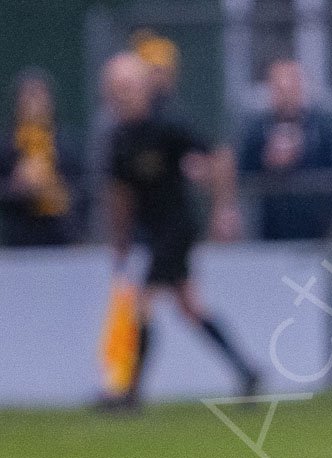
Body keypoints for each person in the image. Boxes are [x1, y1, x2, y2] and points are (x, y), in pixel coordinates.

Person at [100, 52, 259, 412]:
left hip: (178, 226)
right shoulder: (118, 138)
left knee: (143, 303)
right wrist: (121, 241)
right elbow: (120, 195)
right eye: (113, 89)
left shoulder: (167, 126)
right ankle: (247, 371)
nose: (119, 96)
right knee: (190, 307)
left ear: (144, 88)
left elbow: (219, 156)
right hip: (154, 232)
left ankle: (131, 392)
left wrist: (224, 210)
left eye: (126, 87)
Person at [238, 59, 332, 241]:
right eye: (280, 88)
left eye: (292, 86)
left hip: (315, 230)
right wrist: (268, 161)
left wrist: (303, 156)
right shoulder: (256, 131)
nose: (287, 95)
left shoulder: (322, 127)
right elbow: (243, 176)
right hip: (268, 231)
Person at [1, 69, 85, 246]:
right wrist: (17, 187)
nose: (33, 103)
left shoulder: (66, 145)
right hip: (16, 243)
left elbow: (85, 192)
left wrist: (56, 191)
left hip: (61, 239)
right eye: (27, 95)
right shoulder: (7, 147)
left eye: (38, 94)